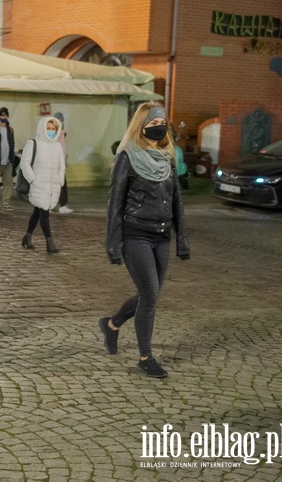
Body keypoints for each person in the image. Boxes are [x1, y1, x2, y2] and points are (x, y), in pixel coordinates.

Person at [99, 103, 189, 379]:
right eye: (155, 121)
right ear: (143, 125)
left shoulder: (167, 158)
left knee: (149, 295)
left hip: (161, 236)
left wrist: (182, 239)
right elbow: (115, 203)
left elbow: (177, 202)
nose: (161, 126)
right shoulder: (127, 158)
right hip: (135, 234)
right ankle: (145, 357)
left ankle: (112, 324)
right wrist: (112, 242)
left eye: (163, 121)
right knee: (149, 295)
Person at [20, 116, 66, 254]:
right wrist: (33, 180)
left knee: (38, 212)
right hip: (39, 185)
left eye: (53, 129)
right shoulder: (33, 143)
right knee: (44, 213)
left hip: (52, 186)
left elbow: (62, 165)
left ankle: (27, 237)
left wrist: (60, 179)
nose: (51, 131)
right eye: (48, 128)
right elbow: (24, 163)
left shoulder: (57, 146)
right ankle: (50, 243)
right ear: (42, 128)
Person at [54, 112, 74, 214]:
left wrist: (65, 158)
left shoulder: (62, 132)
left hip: (60, 161)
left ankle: (59, 205)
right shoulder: (53, 132)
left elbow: (63, 147)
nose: (61, 122)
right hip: (55, 162)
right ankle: (61, 205)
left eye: (62, 121)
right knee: (60, 184)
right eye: (60, 120)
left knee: (60, 184)